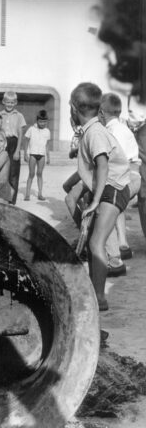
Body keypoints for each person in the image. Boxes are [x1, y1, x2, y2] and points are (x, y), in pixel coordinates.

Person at [70, 82, 130, 311]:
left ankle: (99, 297)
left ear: (74, 109)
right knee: (93, 243)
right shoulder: (90, 130)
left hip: (112, 189)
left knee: (97, 243)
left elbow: (102, 166)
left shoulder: (94, 132)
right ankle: (96, 293)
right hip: (107, 188)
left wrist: (95, 201)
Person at [99, 93, 141, 267]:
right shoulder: (122, 128)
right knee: (118, 206)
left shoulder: (112, 132)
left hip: (128, 176)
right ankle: (123, 244)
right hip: (133, 176)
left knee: (106, 204)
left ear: (101, 112)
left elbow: (116, 162)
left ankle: (114, 258)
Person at [0, 91, 26, 205]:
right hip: (2, 143)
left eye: (12, 102)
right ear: (3, 102)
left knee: (13, 174)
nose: (9, 104)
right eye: (7, 102)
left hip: (14, 143)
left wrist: (17, 150)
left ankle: (12, 201)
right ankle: (1, 197)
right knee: (1, 171)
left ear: (15, 103)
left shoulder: (19, 116)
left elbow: (20, 133)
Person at [24, 110, 51, 201]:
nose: (42, 123)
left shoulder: (47, 131)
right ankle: (27, 194)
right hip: (33, 154)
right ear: (37, 120)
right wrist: (25, 153)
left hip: (42, 155)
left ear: (46, 121)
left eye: (44, 122)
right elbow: (26, 141)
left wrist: (48, 156)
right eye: (40, 121)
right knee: (31, 174)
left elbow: (47, 145)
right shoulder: (31, 129)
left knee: (39, 174)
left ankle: (40, 194)